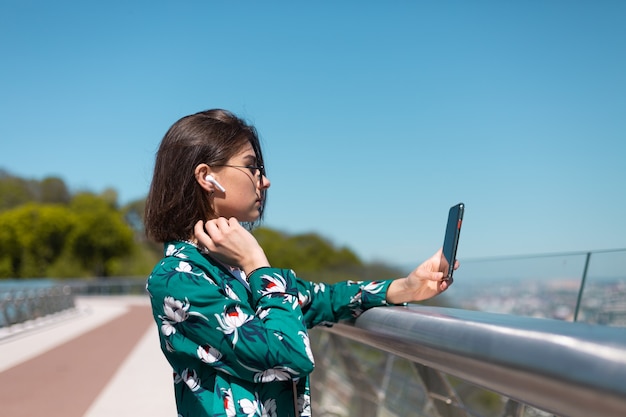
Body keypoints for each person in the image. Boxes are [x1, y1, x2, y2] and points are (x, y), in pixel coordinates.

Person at [144, 109, 455, 417]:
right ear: (206, 177)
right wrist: (256, 263)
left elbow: (320, 298)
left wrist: (404, 287)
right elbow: (289, 357)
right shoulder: (177, 279)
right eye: (251, 167)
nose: (264, 181)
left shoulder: (229, 267)